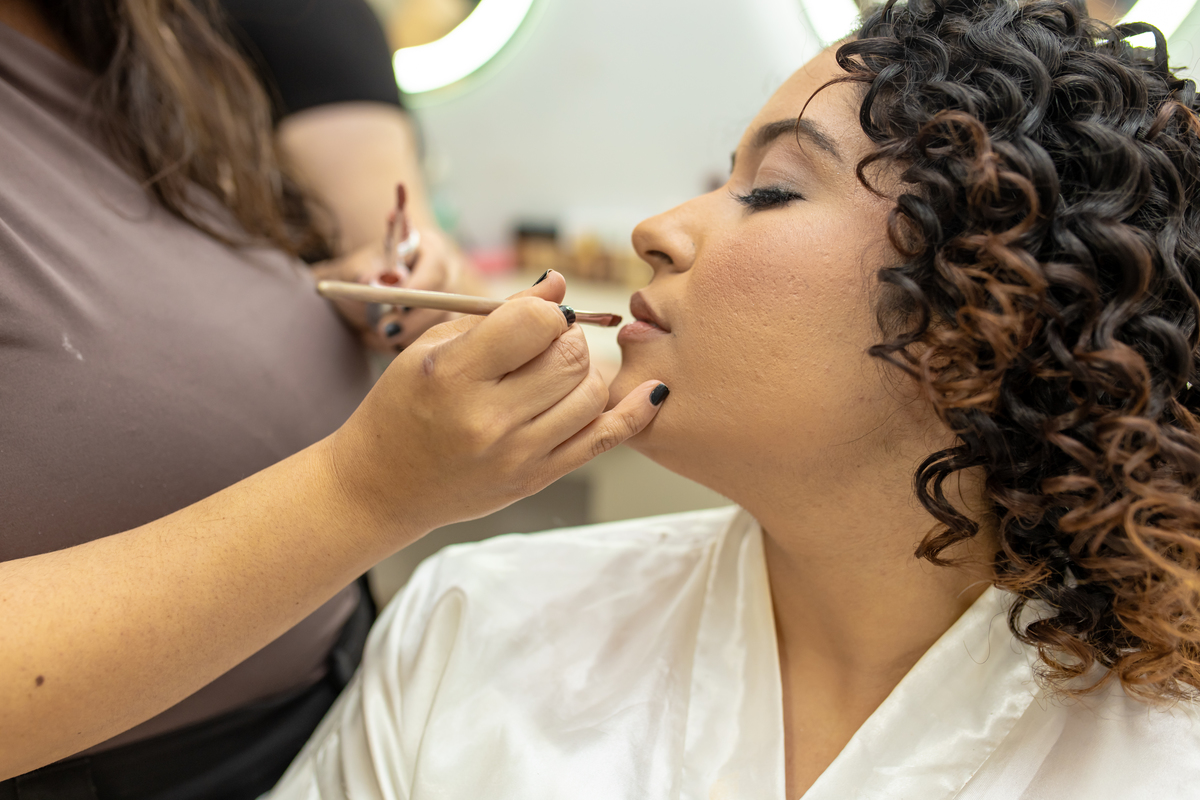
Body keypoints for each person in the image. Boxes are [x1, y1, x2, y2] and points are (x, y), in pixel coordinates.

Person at [267, 1, 1200, 798]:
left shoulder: (1165, 757)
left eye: (772, 192)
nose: (656, 230)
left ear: (988, 313)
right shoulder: (471, 626)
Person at [0, 0, 668, 794]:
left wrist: (355, 292)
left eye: (771, 191)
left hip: (331, 696)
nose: (661, 234)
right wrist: (368, 487)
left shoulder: (150, 43)